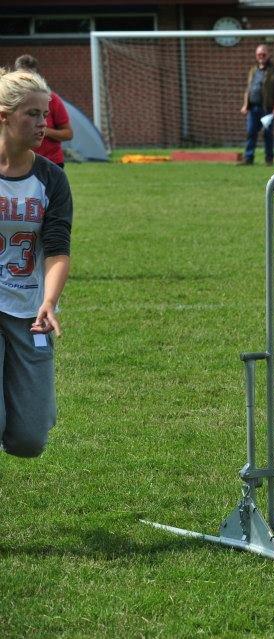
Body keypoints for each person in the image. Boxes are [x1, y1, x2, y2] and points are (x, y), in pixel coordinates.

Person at [0, 68, 73, 458]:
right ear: (4, 116)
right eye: (31, 114)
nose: (43, 124)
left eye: (44, 114)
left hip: (30, 309)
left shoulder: (52, 179)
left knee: (30, 439)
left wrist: (49, 300)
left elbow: (58, 248)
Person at [13, 55, 72, 168]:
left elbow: (68, 134)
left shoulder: (52, 99)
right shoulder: (10, 99)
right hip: (19, 161)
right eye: (22, 78)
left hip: (51, 162)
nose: (27, 82)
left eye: (31, 78)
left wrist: (44, 130)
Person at [239, 44, 274, 166]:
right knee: (251, 132)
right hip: (253, 108)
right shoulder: (253, 70)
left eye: (264, 54)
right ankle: (248, 158)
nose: (261, 56)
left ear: (268, 55)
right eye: (259, 54)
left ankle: (269, 159)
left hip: (267, 109)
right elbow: (248, 88)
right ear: (256, 56)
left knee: (267, 133)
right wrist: (245, 105)